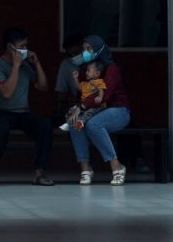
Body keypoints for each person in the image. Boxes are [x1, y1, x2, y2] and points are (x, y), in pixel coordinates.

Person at [0, 27, 55, 187]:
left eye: (26, 46)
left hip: (22, 113)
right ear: (10, 47)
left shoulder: (25, 66)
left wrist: (37, 64)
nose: (25, 50)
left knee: (45, 126)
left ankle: (39, 173)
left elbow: (43, 87)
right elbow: (6, 93)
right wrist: (15, 66)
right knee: (1, 129)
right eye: (22, 46)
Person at [69, 35, 130, 186]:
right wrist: (76, 109)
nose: (85, 52)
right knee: (74, 122)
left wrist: (82, 107)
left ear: (99, 49)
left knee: (93, 124)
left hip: (118, 111)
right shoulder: (86, 69)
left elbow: (104, 95)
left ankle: (117, 166)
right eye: (84, 49)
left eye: (89, 49)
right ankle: (86, 169)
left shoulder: (111, 69)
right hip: (95, 111)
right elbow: (81, 94)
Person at [61, 58, 106, 131]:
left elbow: (101, 89)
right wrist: (75, 78)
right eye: (86, 70)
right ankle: (69, 123)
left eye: (88, 70)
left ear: (97, 73)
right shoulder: (85, 83)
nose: (86, 72)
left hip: (96, 106)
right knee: (72, 110)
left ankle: (81, 123)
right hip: (84, 106)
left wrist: (100, 97)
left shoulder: (98, 82)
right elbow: (78, 87)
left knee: (89, 113)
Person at [53, 34, 85, 120]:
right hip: (79, 108)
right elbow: (62, 92)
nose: (74, 57)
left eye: (76, 53)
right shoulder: (67, 64)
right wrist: (59, 112)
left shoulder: (96, 63)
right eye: (71, 55)